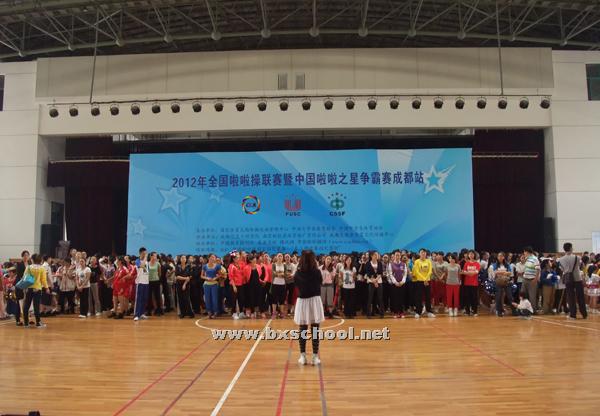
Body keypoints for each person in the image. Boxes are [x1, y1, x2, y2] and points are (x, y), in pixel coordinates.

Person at [294, 250, 325, 366]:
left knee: (303, 329)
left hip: (305, 301)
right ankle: (314, 356)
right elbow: (320, 282)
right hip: (311, 301)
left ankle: (303, 356)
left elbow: (297, 284)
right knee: (314, 329)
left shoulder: (298, 273)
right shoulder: (316, 272)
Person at [557, 242, 587, 320]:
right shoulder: (577, 257)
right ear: (570, 248)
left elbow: (562, 269)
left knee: (570, 297)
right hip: (577, 278)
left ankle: (573, 315)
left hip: (568, 279)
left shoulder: (560, 259)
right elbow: (582, 266)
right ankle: (584, 314)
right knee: (580, 297)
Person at [21, 254, 50, 328]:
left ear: (32, 260)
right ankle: (38, 323)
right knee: (36, 306)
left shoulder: (28, 267)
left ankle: (26, 323)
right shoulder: (42, 268)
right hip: (37, 288)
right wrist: (47, 288)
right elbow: (43, 280)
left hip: (29, 288)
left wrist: (24, 287)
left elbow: (24, 277)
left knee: (26, 305)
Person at [490, 252, 515, 317]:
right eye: (499, 256)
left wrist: (500, 272)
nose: (500, 257)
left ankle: (514, 311)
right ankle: (499, 311)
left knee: (510, 296)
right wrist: (505, 272)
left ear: (504, 257)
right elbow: (495, 272)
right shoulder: (494, 264)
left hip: (506, 282)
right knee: (498, 297)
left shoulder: (507, 264)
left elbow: (510, 273)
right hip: (498, 282)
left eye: (501, 256)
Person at [412, 249, 435, 318]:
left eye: (424, 252)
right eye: (421, 252)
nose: (423, 254)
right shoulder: (417, 261)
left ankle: (429, 311)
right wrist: (424, 279)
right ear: (419, 254)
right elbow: (417, 271)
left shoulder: (428, 261)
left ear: (426, 254)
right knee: (418, 297)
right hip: (419, 281)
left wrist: (426, 279)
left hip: (427, 281)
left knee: (428, 297)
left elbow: (430, 271)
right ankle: (418, 312)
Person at [365, 251, 384, 318]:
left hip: (379, 282)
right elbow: (368, 274)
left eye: (377, 255)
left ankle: (382, 313)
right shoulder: (368, 263)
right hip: (371, 282)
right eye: (375, 255)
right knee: (370, 298)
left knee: (380, 298)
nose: (376, 256)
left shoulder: (380, 263)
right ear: (371, 256)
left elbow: (380, 273)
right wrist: (374, 281)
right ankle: (368, 314)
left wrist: (376, 280)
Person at [201, 254, 221, 319]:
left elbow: (220, 275)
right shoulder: (204, 266)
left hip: (214, 284)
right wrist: (207, 278)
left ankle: (215, 312)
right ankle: (209, 312)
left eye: (214, 257)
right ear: (209, 258)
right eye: (212, 257)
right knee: (207, 299)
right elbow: (201, 276)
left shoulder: (217, 266)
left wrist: (215, 278)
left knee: (214, 299)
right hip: (206, 284)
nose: (213, 258)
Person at [521, 247, 540, 313]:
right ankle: (523, 309)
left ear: (527, 252)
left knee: (532, 296)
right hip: (525, 279)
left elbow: (538, 269)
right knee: (522, 294)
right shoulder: (527, 258)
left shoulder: (535, 259)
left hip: (532, 279)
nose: (524, 253)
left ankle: (533, 310)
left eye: (524, 252)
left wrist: (535, 279)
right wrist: (523, 260)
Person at [389, 251, 408, 319]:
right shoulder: (391, 264)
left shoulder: (403, 264)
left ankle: (401, 312)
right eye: (396, 255)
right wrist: (395, 282)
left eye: (399, 255)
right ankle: (396, 312)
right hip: (395, 284)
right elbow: (391, 274)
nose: (397, 256)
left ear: (400, 256)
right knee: (395, 298)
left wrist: (402, 281)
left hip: (402, 284)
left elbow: (405, 274)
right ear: (394, 256)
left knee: (401, 298)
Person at [461, 250, 480, 316]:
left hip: (474, 283)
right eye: (470, 254)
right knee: (467, 297)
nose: (471, 255)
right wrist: (471, 273)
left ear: (474, 255)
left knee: (474, 298)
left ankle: (475, 311)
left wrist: (468, 273)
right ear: (468, 255)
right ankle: (467, 311)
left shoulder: (477, 263)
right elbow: (463, 272)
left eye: (472, 254)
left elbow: (476, 272)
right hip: (467, 283)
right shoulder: (466, 263)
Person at [133, 247, 150, 322]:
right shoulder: (137, 261)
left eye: (146, 253)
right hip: (140, 282)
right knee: (139, 299)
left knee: (144, 299)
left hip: (146, 282)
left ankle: (142, 313)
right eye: (144, 253)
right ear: (140, 253)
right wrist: (145, 257)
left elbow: (146, 271)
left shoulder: (147, 262)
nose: (145, 255)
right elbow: (142, 266)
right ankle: (136, 315)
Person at [228, 254, 245, 319]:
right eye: (237, 258)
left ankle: (241, 313)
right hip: (234, 285)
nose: (239, 259)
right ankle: (234, 313)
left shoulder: (240, 265)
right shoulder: (231, 266)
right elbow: (230, 277)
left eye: (239, 257)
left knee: (241, 299)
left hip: (241, 285)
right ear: (234, 259)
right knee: (234, 299)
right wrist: (234, 286)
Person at [271, 253, 287, 319]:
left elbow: (285, 274)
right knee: (274, 299)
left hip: (282, 284)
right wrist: (279, 274)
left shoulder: (284, 265)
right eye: (279, 256)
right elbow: (273, 272)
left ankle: (282, 313)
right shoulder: (274, 264)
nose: (280, 257)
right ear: (276, 257)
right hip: (275, 284)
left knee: (282, 299)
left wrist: (282, 274)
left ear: (282, 258)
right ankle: (274, 313)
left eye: (281, 256)